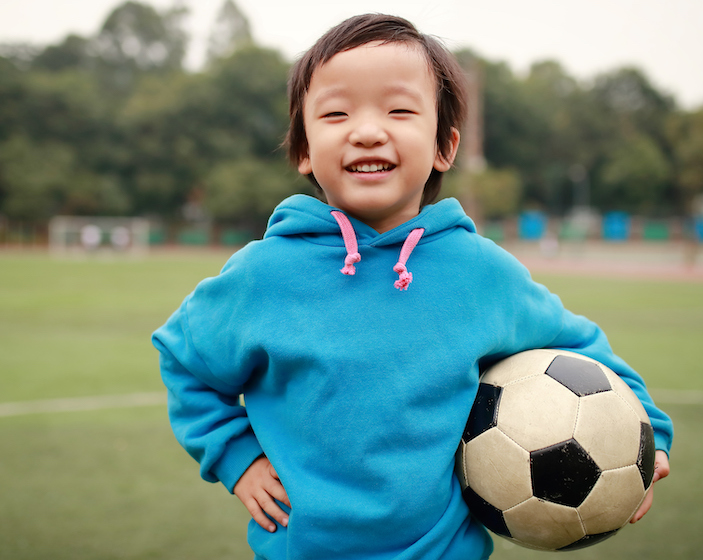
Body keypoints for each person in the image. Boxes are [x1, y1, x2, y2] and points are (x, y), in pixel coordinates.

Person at [152, 14, 672, 560]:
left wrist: (648, 432)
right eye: (336, 113)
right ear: (304, 149)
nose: (368, 130)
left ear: (444, 147)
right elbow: (184, 359)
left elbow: (582, 349)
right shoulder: (262, 276)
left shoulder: (480, 274)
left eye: (399, 110)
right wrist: (236, 456)